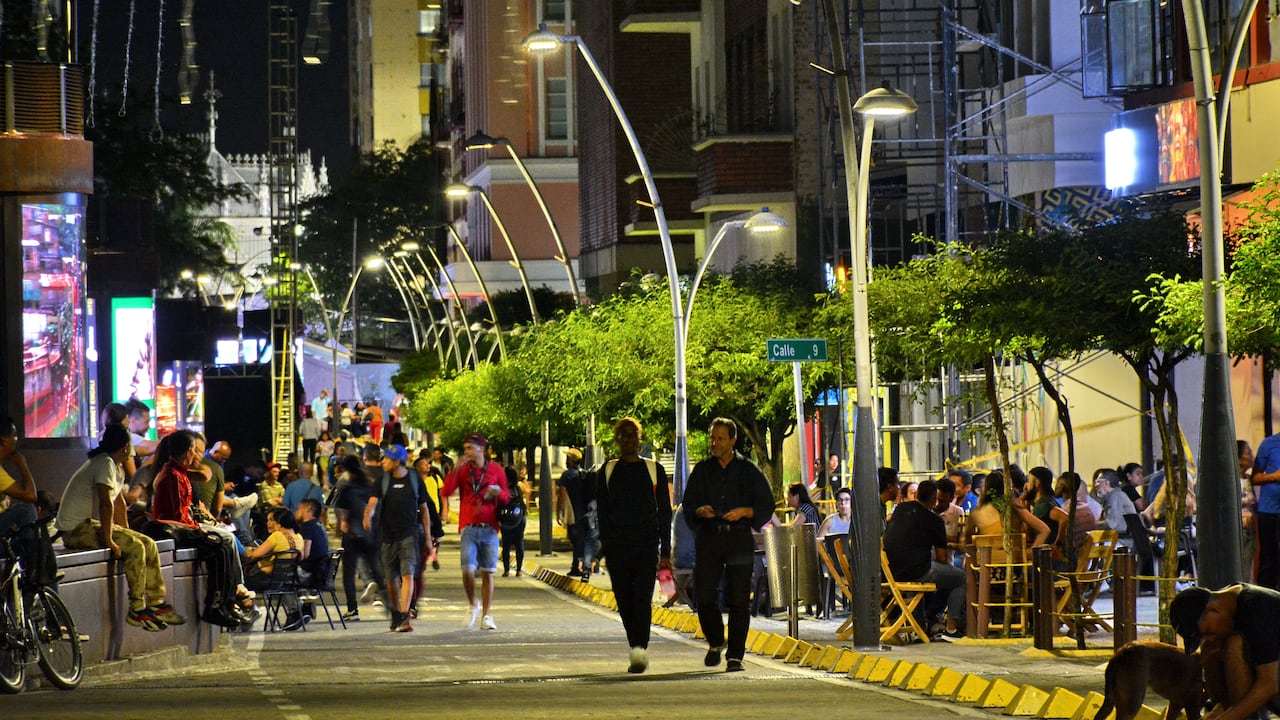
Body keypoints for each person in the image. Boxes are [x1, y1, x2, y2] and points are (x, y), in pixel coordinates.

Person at [56, 424, 185, 631]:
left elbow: (118, 503)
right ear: (125, 447)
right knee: (136, 547)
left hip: (88, 526)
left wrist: (127, 531)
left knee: (148, 543)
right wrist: (110, 539)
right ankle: (137, 608)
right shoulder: (104, 463)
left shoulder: (115, 466)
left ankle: (156, 603)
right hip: (75, 531)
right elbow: (105, 503)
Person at [682, 417, 774, 673]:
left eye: (720, 439)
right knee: (704, 595)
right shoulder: (702, 470)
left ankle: (735, 656)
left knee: (739, 599)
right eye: (713, 438)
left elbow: (766, 505)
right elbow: (688, 505)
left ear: (733, 440)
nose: (715, 443)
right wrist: (699, 511)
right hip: (709, 538)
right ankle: (715, 640)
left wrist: (746, 511)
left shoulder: (748, 471)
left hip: (738, 539)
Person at [587, 417, 673, 674]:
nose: (629, 439)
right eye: (624, 435)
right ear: (617, 439)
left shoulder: (654, 470)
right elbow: (603, 512)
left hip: (646, 545)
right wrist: (605, 547)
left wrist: (665, 551)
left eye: (633, 434)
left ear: (639, 438)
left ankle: (639, 648)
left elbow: (664, 513)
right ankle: (634, 643)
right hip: (617, 548)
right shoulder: (607, 471)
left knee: (642, 598)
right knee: (624, 599)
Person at [150, 430, 253, 628]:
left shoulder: (179, 472)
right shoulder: (172, 475)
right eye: (194, 451)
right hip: (173, 530)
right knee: (220, 545)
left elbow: (203, 477)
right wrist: (198, 529)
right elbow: (175, 515)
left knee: (223, 543)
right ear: (189, 451)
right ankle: (215, 606)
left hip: (181, 527)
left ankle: (226, 602)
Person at [1171, 584, 1280, 719]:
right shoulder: (1230, 600)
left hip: (1272, 683)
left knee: (1233, 644)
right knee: (1211, 649)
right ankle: (1224, 709)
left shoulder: (1258, 608)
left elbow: (1269, 685)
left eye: (1208, 632)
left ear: (1213, 609)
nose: (1209, 638)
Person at [441, 434, 509, 631]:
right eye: (466, 448)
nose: (467, 452)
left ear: (481, 449)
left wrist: (498, 493)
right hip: (469, 527)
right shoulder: (463, 470)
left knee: (488, 572)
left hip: (490, 527)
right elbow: (446, 491)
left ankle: (487, 615)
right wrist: (455, 469)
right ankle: (473, 603)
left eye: (470, 447)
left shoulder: (495, 470)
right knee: (467, 569)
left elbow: (506, 497)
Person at [883, 479, 966, 639]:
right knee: (961, 578)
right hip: (917, 572)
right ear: (934, 500)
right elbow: (942, 558)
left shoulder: (900, 509)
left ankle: (919, 628)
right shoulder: (934, 520)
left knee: (919, 573)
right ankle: (951, 628)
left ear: (916, 495)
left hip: (892, 571)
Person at [365, 444, 430, 632]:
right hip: (387, 537)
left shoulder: (414, 480)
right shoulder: (382, 481)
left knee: (407, 574)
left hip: (408, 535)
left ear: (397, 461)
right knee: (390, 580)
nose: (382, 462)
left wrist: (427, 537)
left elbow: (424, 510)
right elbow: (372, 503)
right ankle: (396, 613)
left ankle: (404, 616)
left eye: (386, 459)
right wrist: (367, 515)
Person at [334, 454, 384, 621]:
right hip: (370, 532)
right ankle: (391, 606)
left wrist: (342, 524)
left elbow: (340, 510)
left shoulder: (346, 485)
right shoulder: (371, 483)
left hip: (352, 534)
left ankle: (352, 609)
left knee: (348, 573)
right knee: (376, 569)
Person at [243, 507, 309, 630]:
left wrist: (248, 552)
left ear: (279, 523)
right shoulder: (299, 537)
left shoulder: (277, 535)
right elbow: (301, 556)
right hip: (287, 581)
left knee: (238, 582)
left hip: (268, 581)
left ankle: (251, 610)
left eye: (273, 520)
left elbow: (254, 555)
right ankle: (296, 610)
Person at [556, 448, 592, 578]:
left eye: (567, 458)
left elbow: (562, 495)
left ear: (571, 460)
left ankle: (577, 567)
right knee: (582, 541)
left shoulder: (567, 475)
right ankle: (584, 566)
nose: (566, 461)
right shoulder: (584, 474)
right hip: (585, 513)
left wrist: (559, 512)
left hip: (573, 513)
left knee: (576, 541)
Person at [498, 463, 527, 578]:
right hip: (519, 519)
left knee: (506, 545)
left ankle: (506, 570)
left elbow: (498, 505)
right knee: (519, 543)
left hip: (505, 520)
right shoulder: (518, 488)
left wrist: (498, 518)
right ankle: (519, 570)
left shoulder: (501, 489)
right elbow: (522, 504)